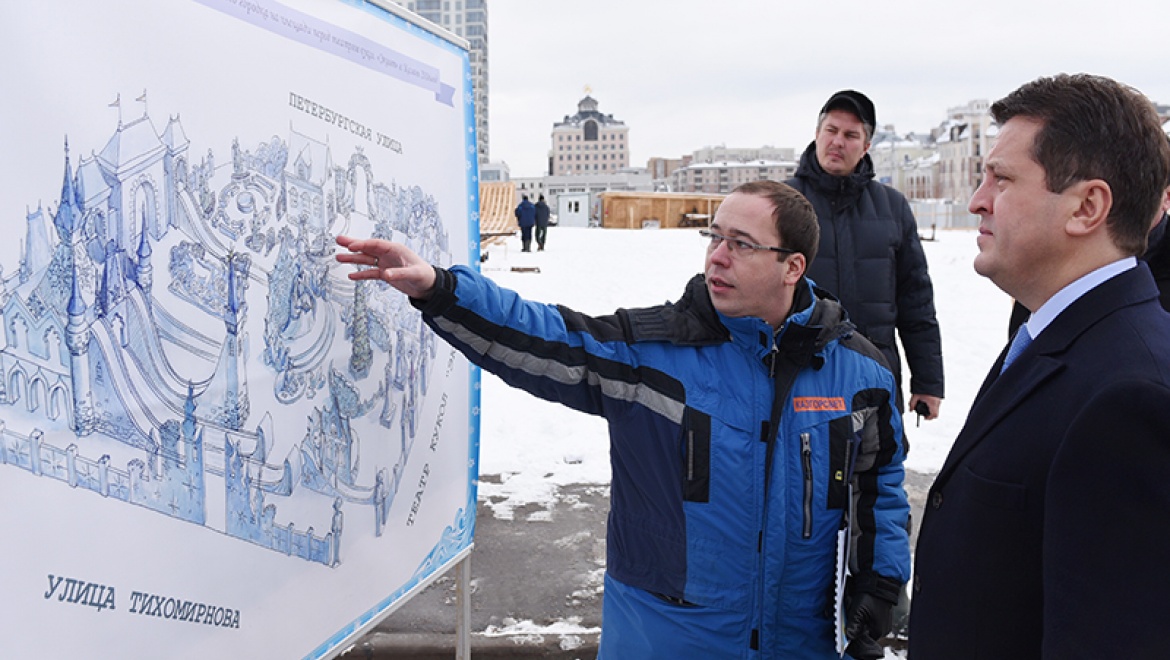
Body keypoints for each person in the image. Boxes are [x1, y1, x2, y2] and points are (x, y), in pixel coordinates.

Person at [337, 180, 910, 659]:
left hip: (802, 642)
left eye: (741, 243)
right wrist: (441, 291)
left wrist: (882, 581)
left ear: (793, 267)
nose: (716, 255)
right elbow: (548, 338)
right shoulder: (653, 356)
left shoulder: (859, 374)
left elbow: (880, 484)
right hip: (666, 638)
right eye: (714, 236)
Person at [910, 73, 1170, 658]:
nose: (977, 199)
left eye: (1001, 178)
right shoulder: (1056, 334)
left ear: (1087, 207)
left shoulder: (1132, 397)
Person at [786, 90, 944, 423]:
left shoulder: (892, 207)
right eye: (831, 130)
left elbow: (915, 298)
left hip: (875, 373)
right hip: (801, 374)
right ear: (817, 134)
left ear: (866, 145)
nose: (837, 141)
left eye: (850, 135)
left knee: (878, 468)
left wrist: (928, 380)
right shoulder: (783, 203)